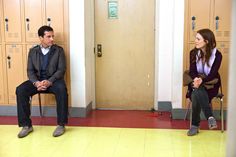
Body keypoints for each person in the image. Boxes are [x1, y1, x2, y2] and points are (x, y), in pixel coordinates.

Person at [16, 25, 68, 138]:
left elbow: (61, 70)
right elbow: (30, 70)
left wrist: (49, 81)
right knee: (21, 90)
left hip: (53, 81)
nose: (52, 39)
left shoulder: (59, 50)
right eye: (49, 36)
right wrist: (36, 83)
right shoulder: (33, 51)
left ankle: (61, 124)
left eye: (52, 36)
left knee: (62, 89)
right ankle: (26, 125)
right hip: (38, 81)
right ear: (41, 37)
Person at [186, 28, 222, 136]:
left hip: (211, 85)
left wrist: (202, 80)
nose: (195, 41)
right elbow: (192, 71)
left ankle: (195, 125)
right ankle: (210, 116)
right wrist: (196, 79)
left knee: (196, 92)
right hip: (197, 81)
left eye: (198, 39)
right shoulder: (193, 53)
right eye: (195, 38)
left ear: (206, 41)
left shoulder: (217, 55)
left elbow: (213, 74)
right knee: (197, 90)